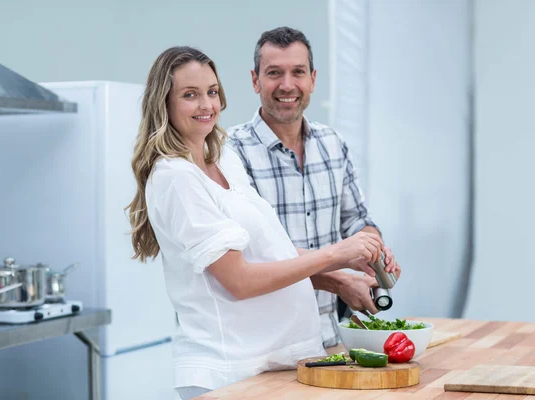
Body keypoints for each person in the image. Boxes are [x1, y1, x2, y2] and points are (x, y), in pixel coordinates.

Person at [126, 46, 395, 400]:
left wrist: (344, 266)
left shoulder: (222, 158)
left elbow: (266, 251)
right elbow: (238, 280)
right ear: (164, 103)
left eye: (211, 91)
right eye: (190, 95)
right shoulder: (175, 177)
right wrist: (333, 254)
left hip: (275, 364)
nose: (207, 105)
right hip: (230, 371)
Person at [227, 27, 401, 349]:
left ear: (313, 79)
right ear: (255, 80)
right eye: (274, 73)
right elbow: (253, 256)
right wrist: (338, 281)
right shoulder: (230, 152)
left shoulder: (333, 143)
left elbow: (356, 220)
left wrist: (374, 252)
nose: (287, 85)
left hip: (329, 339)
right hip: (265, 347)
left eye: (298, 72)